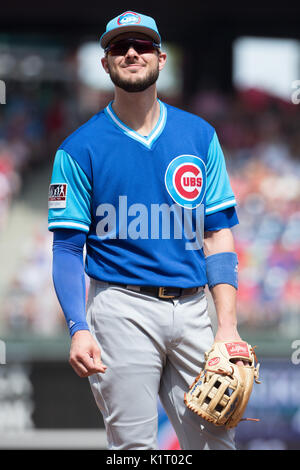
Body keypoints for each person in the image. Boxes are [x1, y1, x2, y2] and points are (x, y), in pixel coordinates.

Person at [48, 11, 245, 450]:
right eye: (119, 46)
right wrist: (78, 327)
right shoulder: (78, 148)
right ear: (105, 63)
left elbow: (217, 234)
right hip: (121, 307)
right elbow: (66, 248)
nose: (132, 52)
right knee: (135, 450)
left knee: (217, 444)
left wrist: (227, 329)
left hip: (194, 310)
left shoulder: (199, 135)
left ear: (161, 58)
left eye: (142, 45)